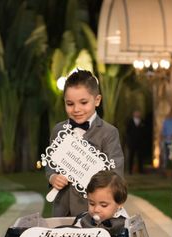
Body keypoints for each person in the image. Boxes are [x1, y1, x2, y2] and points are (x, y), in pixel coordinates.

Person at [46, 69, 124, 217]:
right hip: (62, 210)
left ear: (97, 100)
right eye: (70, 103)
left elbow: (116, 174)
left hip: (93, 213)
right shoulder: (58, 130)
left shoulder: (109, 133)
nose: (76, 109)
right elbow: (51, 163)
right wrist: (52, 177)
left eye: (83, 102)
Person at [125, 110, 147, 174]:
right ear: (133, 114)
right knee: (131, 156)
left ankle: (140, 170)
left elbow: (144, 132)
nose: (137, 114)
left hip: (140, 142)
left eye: (138, 113)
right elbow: (127, 132)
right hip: (132, 142)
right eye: (136, 113)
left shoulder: (142, 121)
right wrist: (129, 141)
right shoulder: (130, 121)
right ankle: (130, 170)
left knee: (140, 156)